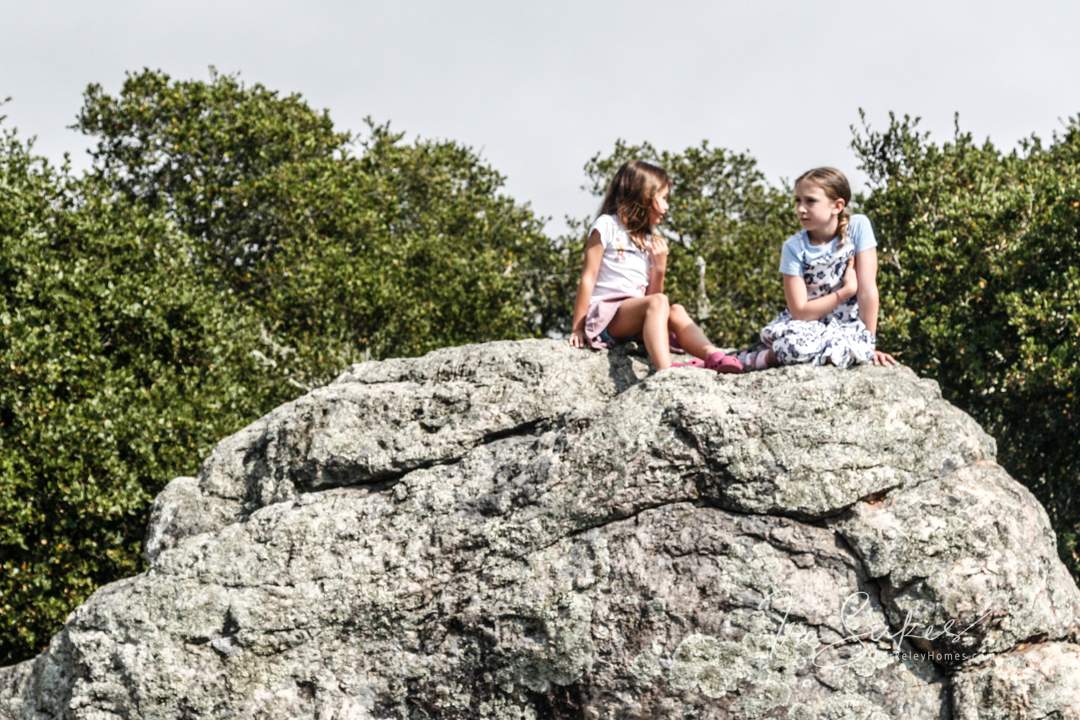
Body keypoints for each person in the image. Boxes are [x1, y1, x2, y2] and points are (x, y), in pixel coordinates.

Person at [568, 160, 742, 373]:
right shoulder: (607, 225)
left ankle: (714, 355)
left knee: (675, 310)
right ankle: (665, 371)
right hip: (607, 318)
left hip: (634, 320)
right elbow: (588, 277)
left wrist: (659, 268)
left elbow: (652, 299)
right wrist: (578, 328)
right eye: (664, 198)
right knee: (660, 302)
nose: (667, 207)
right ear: (644, 195)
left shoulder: (648, 240)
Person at [738, 167, 897, 370]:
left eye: (810, 201)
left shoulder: (858, 228)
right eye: (798, 201)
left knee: (852, 350)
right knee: (795, 345)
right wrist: (845, 292)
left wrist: (869, 344)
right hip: (806, 327)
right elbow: (800, 311)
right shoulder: (793, 247)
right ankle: (758, 359)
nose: (801, 209)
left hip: (847, 327)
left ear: (837, 206)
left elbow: (867, 290)